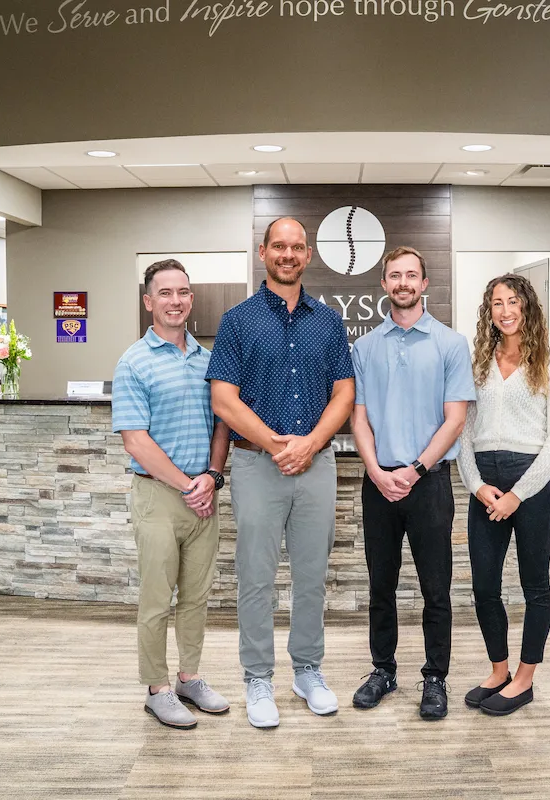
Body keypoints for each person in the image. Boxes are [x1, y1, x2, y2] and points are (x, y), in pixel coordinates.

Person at [206, 217, 355, 729]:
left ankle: (307, 672)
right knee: (256, 577)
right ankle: (258, 678)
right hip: (255, 463)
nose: (287, 255)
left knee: (312, 576)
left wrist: (310, 443)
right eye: (278, 246)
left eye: (296, 247)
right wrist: (276, 445)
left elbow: (344, 393)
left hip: (316, 464)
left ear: (307, 254)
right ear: (263, 253)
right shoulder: (237, 321)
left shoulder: (328, 321)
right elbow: (223, 399)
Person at [349, 246, 475, 720]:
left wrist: (416, 469)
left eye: (411, 275)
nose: (403, 283)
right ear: (384, 284)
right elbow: (358, 418)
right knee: (380, 586)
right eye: (394, 275)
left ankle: (435, 677)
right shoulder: (364, 348)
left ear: (424, 284)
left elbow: (455, 420)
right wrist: (377, 471)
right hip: (378, 483)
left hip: (430, 484)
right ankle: (383, 670)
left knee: (435, 589)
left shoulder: (450, 344)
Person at [112, 259, 233, 730]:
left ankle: (189, 678)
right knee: (156, 600)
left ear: (191, 299)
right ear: (149, 302)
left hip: (203, 495)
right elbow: (136, 441)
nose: (175, 301)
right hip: (159, 497)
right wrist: (189, 485)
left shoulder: (208, 360)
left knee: (197, 597)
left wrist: (212, 477)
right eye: (165, 293)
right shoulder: (133, 362)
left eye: (183, 292)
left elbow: (222, 424)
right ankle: (157, 689)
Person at [457, 273, 550, 716]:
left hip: (532, 485)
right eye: (497, 303)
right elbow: (464, 435)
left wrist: (517, 495)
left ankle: (524, 680)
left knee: (534, 585)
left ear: (527, 307)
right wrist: (477, 486)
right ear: (489, 311)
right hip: (485, 484)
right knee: (484, 586)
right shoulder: (479, 364)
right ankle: (498, 670)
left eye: (512, 302)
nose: (505, 311)